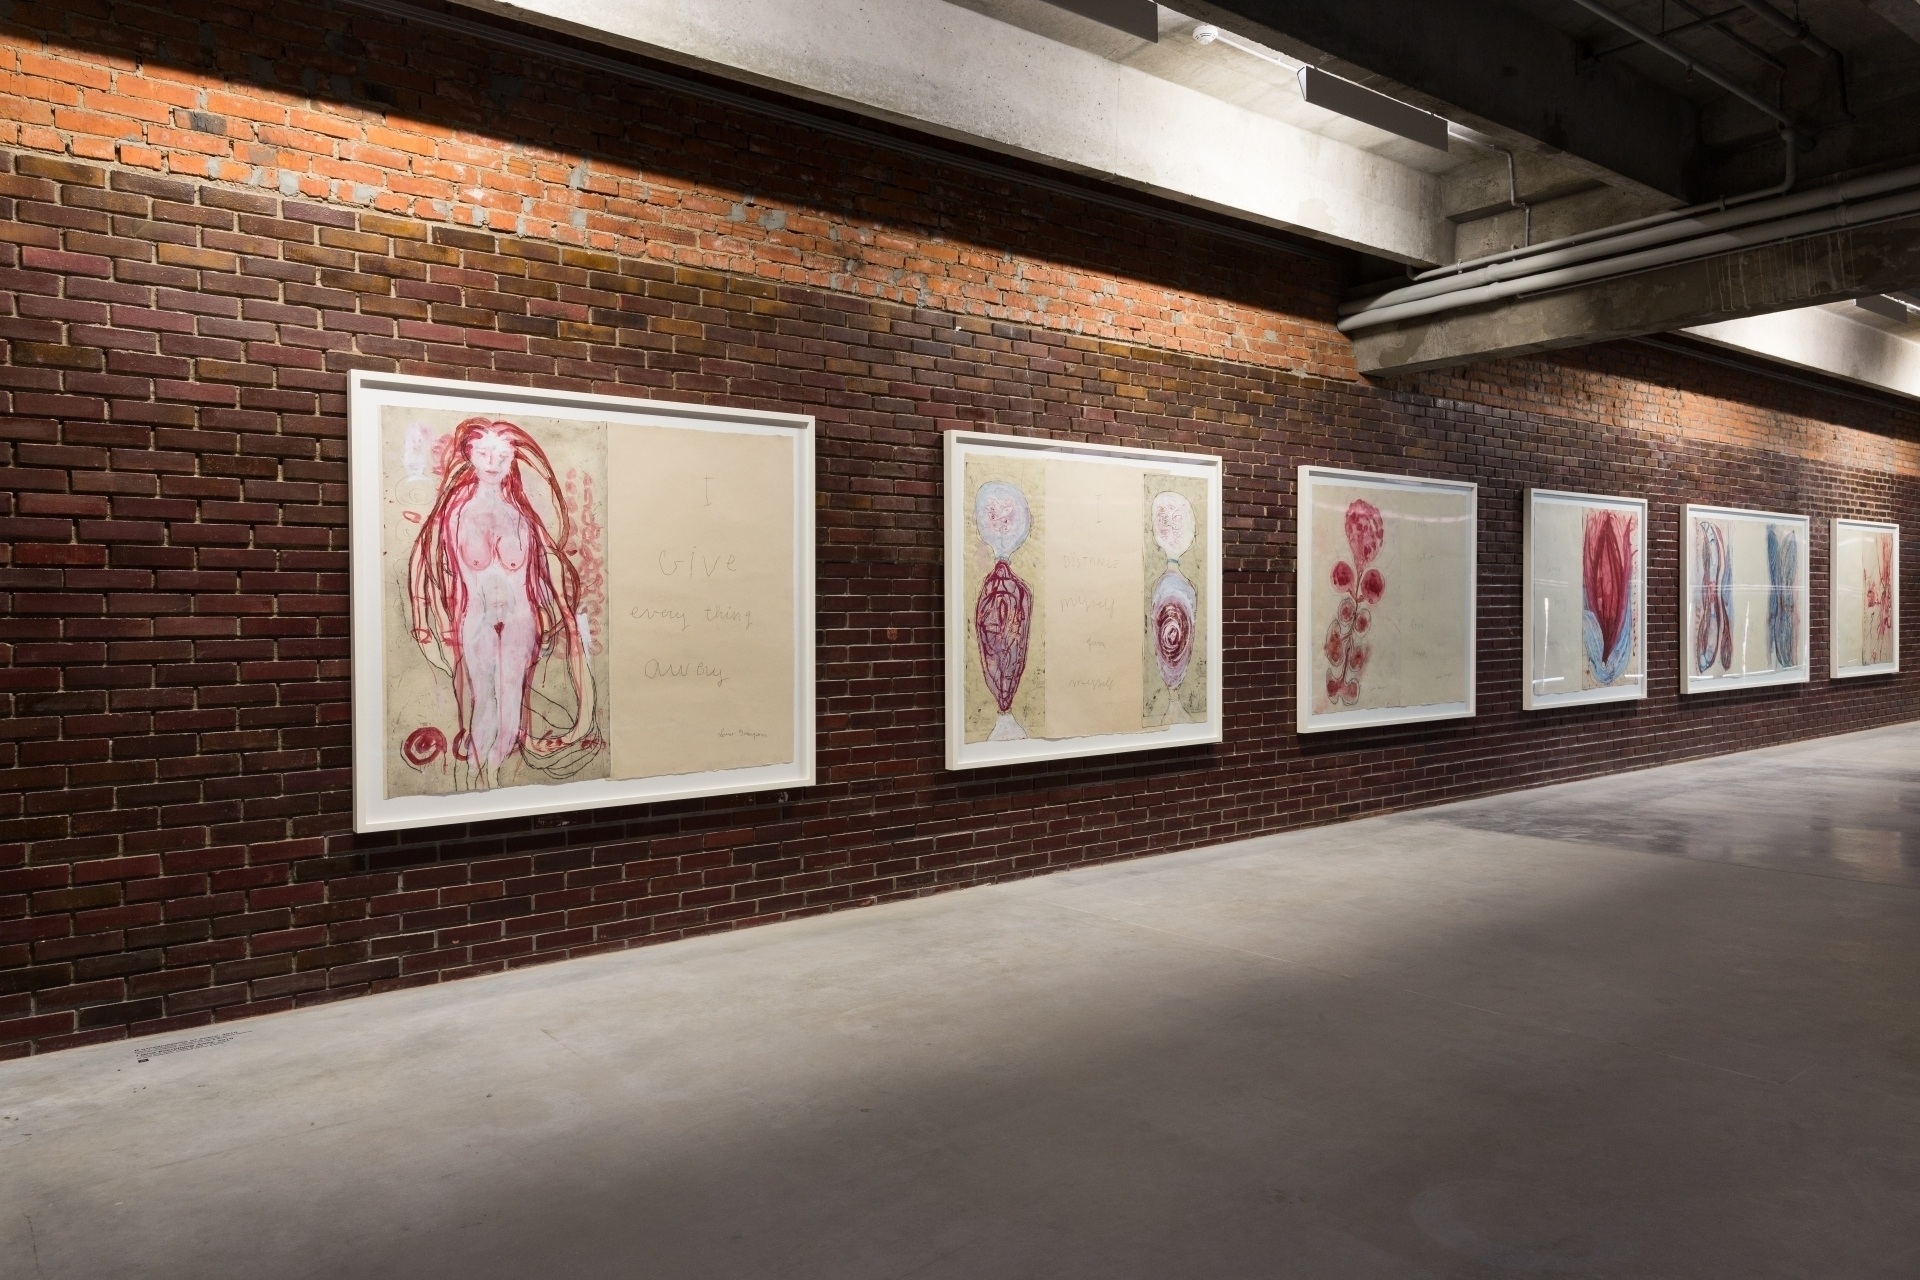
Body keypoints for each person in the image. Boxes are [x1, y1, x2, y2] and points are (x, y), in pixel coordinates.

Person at [407, 417, 597, 788]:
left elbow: (552, 569)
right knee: (482, 704)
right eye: (483, 453)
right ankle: (477, 782)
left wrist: (565, 617)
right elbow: (421, 560)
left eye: (502, 455)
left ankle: (491, 780)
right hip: (476, 619)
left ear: (513, 459)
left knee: (511, 704)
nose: (492, 463)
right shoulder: (454, 514)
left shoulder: (523, 517)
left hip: (521, 620)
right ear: (469, 455)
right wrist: (422, 621)